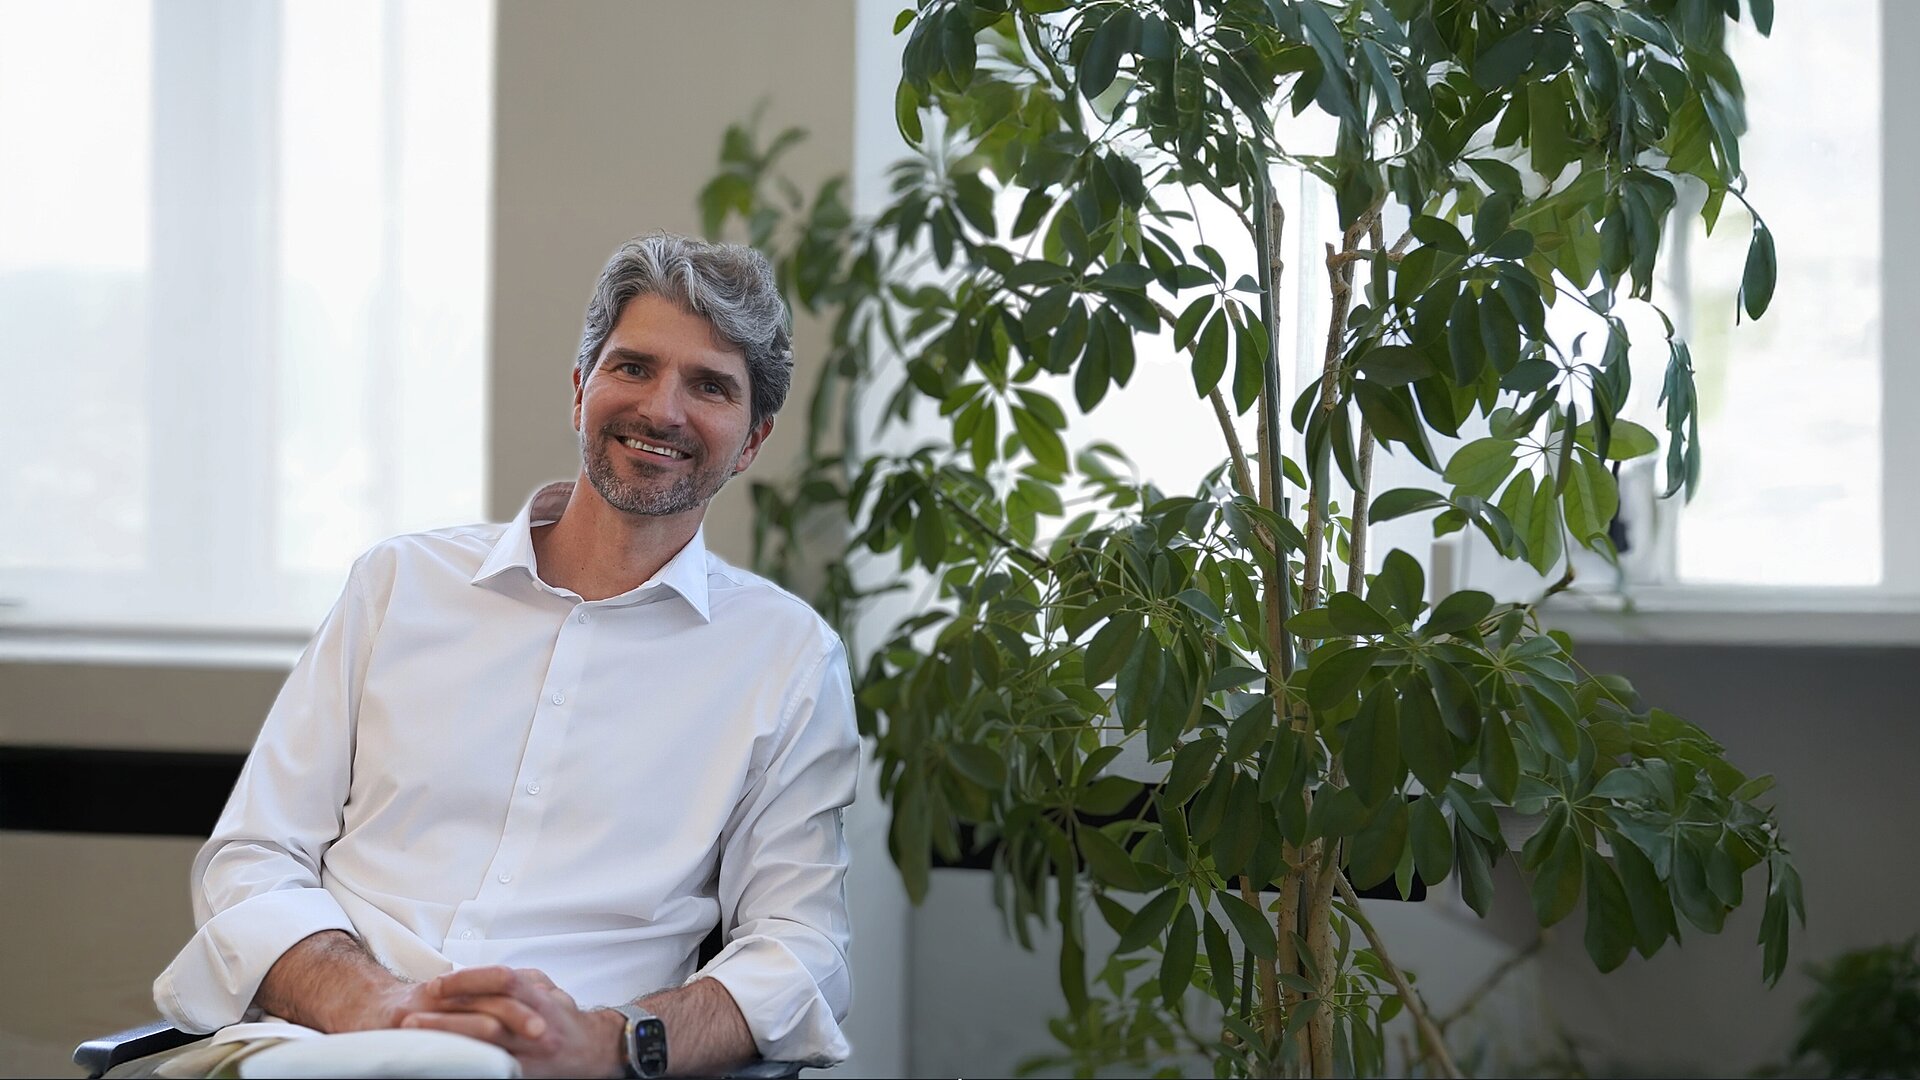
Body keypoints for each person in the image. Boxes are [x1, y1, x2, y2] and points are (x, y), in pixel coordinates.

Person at [137, 234, 857, 1078]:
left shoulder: (788, 658)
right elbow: (253, 857)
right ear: (581, 387)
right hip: (319, 1046)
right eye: (633, 367)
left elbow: (801, 949)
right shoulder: (398, 584)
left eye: (709, 385)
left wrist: (613, 1040)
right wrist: (375, 1002)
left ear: (754, 437)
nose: (663, 410)